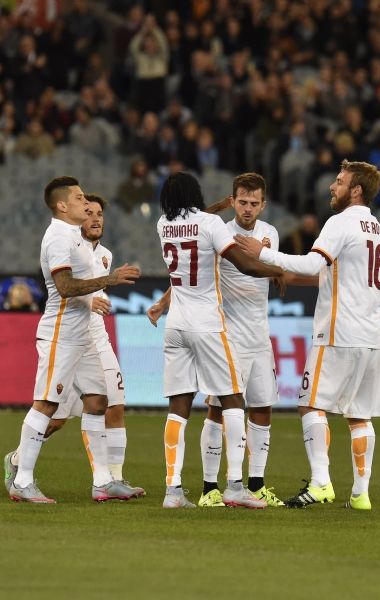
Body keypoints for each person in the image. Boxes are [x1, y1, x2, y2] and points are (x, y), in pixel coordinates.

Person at [235, 160, 380, 510]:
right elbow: (350, 279)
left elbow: (312, 263)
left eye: (339, 181)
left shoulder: (341, 222)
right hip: (371, 335)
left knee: (310, 404)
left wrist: (263, 253)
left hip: (338, 332)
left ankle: (321, 483)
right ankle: (361, 494)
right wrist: (285, 273)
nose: (332, 187)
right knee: (359, 415)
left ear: (356, 190)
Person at [150, 171, 287, 509]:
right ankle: (233, 486)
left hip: (176, 326)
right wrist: (279, 269)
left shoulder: (163, 224)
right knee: (232, 402)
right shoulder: (212, 225)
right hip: (209, 325)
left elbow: (191, 220)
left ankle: (172, 491)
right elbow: (245, 265)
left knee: (178, 409)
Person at [5, 176, 140, 503]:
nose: (85, 203)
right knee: (47, 404)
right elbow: (64, 287)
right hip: (61, 334)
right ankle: (22, 479)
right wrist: (108, 280)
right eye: (79, 198)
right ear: (63, 205)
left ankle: (103, 481)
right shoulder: (57, 238)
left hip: (85, 336)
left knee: (97, 401)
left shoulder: (78, 239)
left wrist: (101, 285)